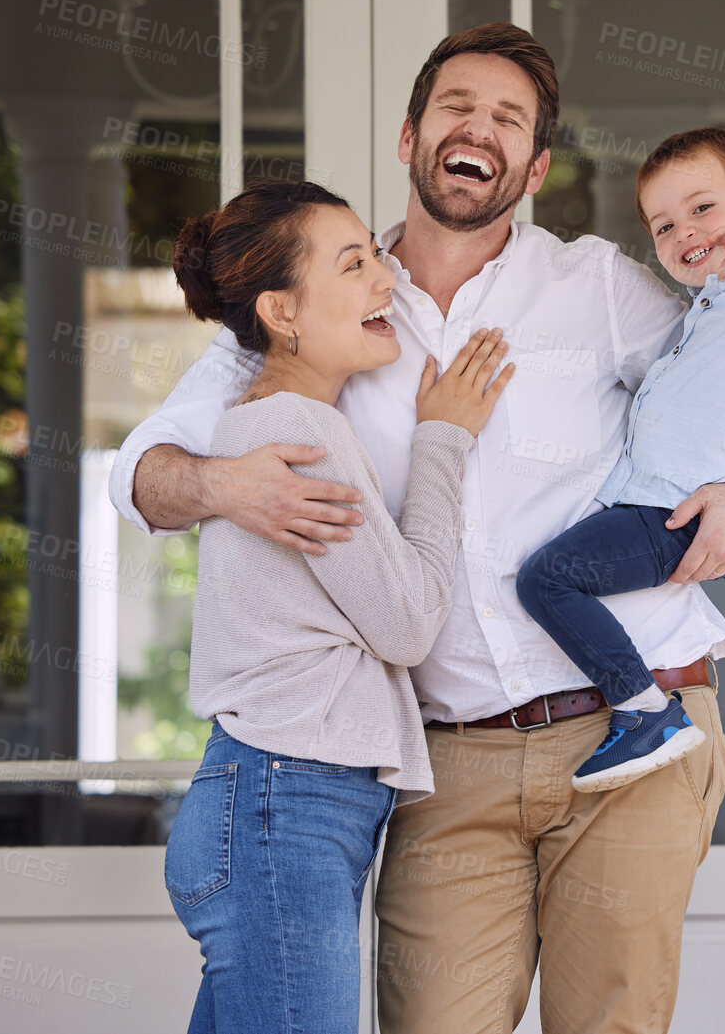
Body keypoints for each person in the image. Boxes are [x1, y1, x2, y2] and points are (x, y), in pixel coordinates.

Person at [110, 23, 725, 1034]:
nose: (480, 127)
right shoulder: (320, 298)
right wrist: (224, 487)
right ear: (410, 136)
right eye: (458, 107)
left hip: (634, 726)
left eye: (509, 119)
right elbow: (145, 473)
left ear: (537, 165)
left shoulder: (597, 285)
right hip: (448, 755)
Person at [157, 177, 513, 1034]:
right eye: (353, 264)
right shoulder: (297, 432)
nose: (384, 279)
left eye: (376, 255)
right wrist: (443, 438)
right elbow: (407, 620)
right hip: (285, 805)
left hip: (275, 802)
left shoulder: (281, 423)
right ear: (282, 312)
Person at [516, 128, 725, 793]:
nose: (683, 231)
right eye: (662, 225)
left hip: (672, 511)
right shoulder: (706, 311)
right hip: (652, 502)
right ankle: (640, 709)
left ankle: (642, 710)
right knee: (552, 574)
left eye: (701, 207)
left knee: (546, 580)